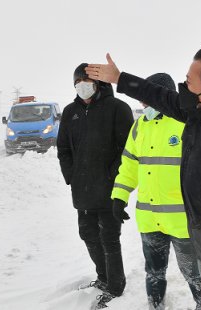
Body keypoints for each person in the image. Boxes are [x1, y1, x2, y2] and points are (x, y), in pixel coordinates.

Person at [86, 47, 201, 310]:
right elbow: (161, 97)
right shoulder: (200, 111)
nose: (183, 87)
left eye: (189, 82)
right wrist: (120, 78)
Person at [111, 73, 201, 310]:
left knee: (194, 273)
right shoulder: (139, 126)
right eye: (142, 99)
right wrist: (120, 196)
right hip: (149, 218)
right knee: (153, 272)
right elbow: (129, 164)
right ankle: (155, 305)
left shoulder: (186, 123)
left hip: (182, 220)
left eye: (147, 97)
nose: (144, 104)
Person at [57, 63, 134, 309]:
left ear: (98, 83)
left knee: (109, 238)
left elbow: (127, 150)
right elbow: (63, 149)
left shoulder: (118, 108)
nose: (82, 86)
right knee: (88, 235)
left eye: (86, 81)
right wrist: (72, 176)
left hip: (110, 189)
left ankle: (116, 285)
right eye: (77, 82)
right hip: (82, 189)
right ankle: (103, 277)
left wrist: (112, 178)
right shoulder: (70, 112)